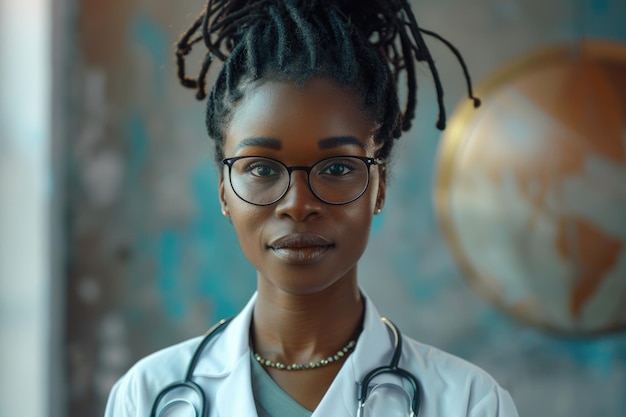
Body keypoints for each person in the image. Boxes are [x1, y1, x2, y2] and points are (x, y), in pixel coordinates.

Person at [105, 0, 518, 416]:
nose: (298, 204)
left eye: (337, 167)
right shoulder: (147, 397)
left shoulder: (468, 402)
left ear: (379, 188)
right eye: (262, 169)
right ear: (223, 192)